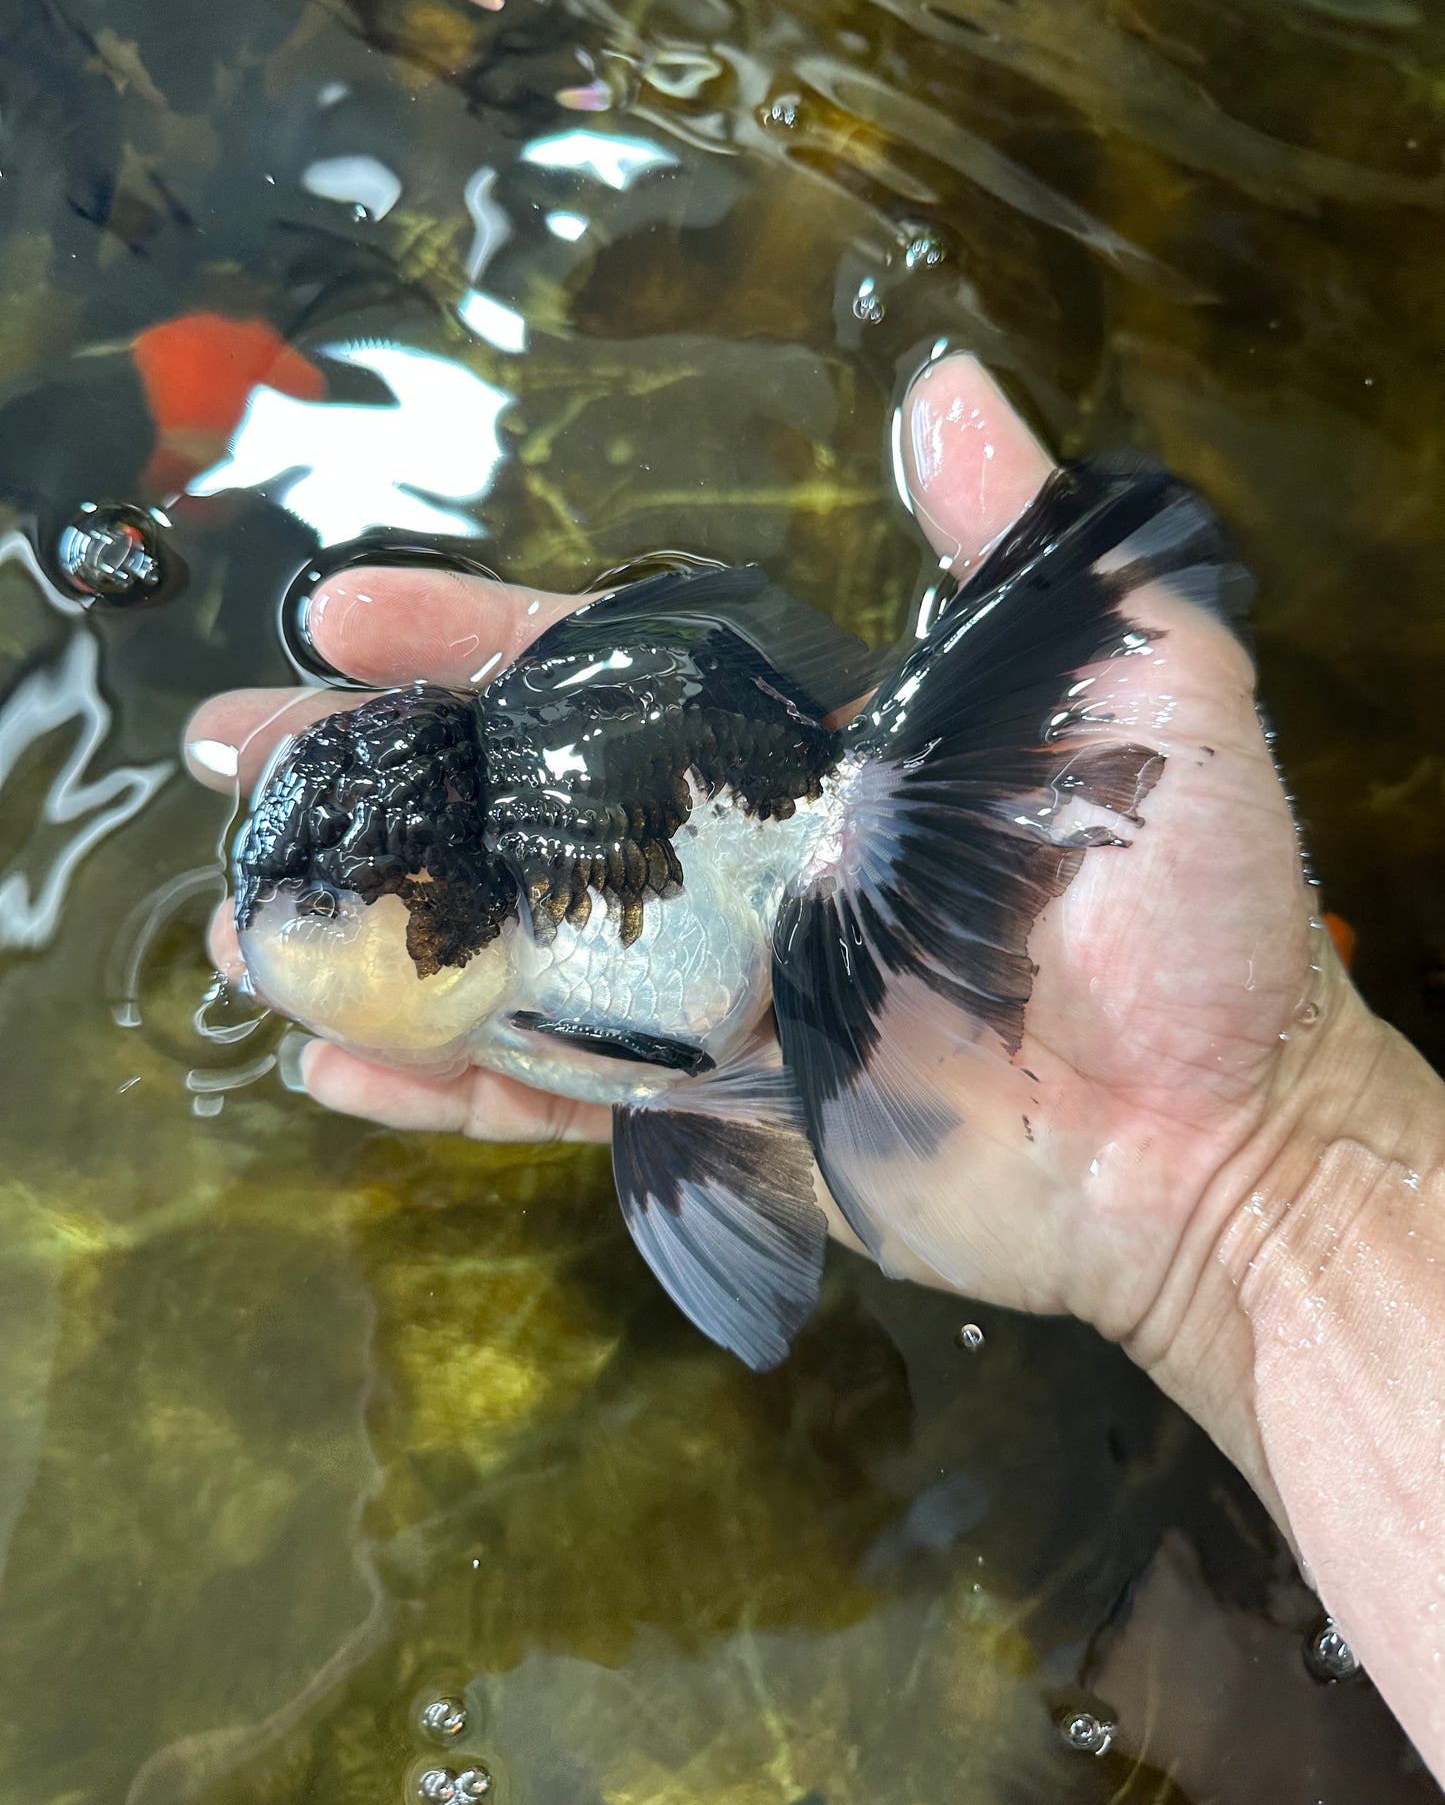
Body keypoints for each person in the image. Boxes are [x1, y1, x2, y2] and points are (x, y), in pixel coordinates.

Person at [184, 353, 1445, 1783]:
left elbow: (676, 1058)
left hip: (748, 833)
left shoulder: (551, 940)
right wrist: (1259, 1189)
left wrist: (1254, 1167)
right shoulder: (496, 967)